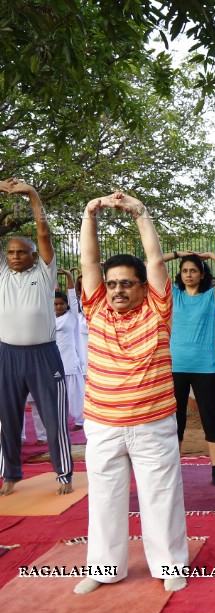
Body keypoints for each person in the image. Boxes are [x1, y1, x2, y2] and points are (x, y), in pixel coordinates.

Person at [74, 190, 189, 594]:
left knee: (161, 495)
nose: (118, 290)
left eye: (126, 284)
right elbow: (89, 261)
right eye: (112, 284)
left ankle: (171, 566)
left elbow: (155, 260)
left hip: (153, 423)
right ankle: (104, 569)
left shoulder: (158, 310)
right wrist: (90, 214)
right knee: (104, 499)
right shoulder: (96, 308)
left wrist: (140, 213)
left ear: (144, 287)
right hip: (103, 424)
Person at [0, 178, 74, 496]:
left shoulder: (44, 273)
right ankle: (10, 474)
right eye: (10, 252)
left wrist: (32, 195)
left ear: (33, 255)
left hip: (43, 355)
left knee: (53, 416)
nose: (15, 256)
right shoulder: (2, 273)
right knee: (7, 419)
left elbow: (43, 233)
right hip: (7, 355)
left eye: (22, 252)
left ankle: (63, 473)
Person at [164, 251, 215, 485]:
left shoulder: (210, 297)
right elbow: (150, 265)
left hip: (206, 370)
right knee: (175, 420)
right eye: (184, 270)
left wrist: (208, 255)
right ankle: (172, 470)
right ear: (180, 274)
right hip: (176, 368)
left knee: (210, 418)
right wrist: (177, 254)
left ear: (201, 273)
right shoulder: (173, 295)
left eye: (193, 270)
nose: (188, 274)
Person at [53, 290, 85, 430]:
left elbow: (73, 298)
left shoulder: (71, 316)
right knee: (57, 394)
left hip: (70, 361)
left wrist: (69, 278)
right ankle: (60, 421)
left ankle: (80, 420)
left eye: (62, 303)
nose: (59, 306)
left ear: (67, 304)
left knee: (74, 393)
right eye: (56, 304)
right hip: (54, 361)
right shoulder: (50, 318)